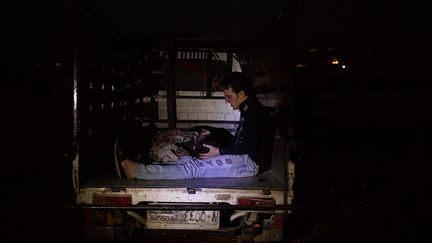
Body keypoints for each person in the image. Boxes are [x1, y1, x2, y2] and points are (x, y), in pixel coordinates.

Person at [119, 72, 275, 180]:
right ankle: (149, 166)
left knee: (195, 169)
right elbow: (243, 142)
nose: (227, 101)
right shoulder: (250, 109)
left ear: (241, 94)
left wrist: (218, 151)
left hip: (250, 163)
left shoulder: (253, 112)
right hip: (246, 158)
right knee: (193, 161)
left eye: (229, 96)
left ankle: (138, 171)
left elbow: (247, 146)